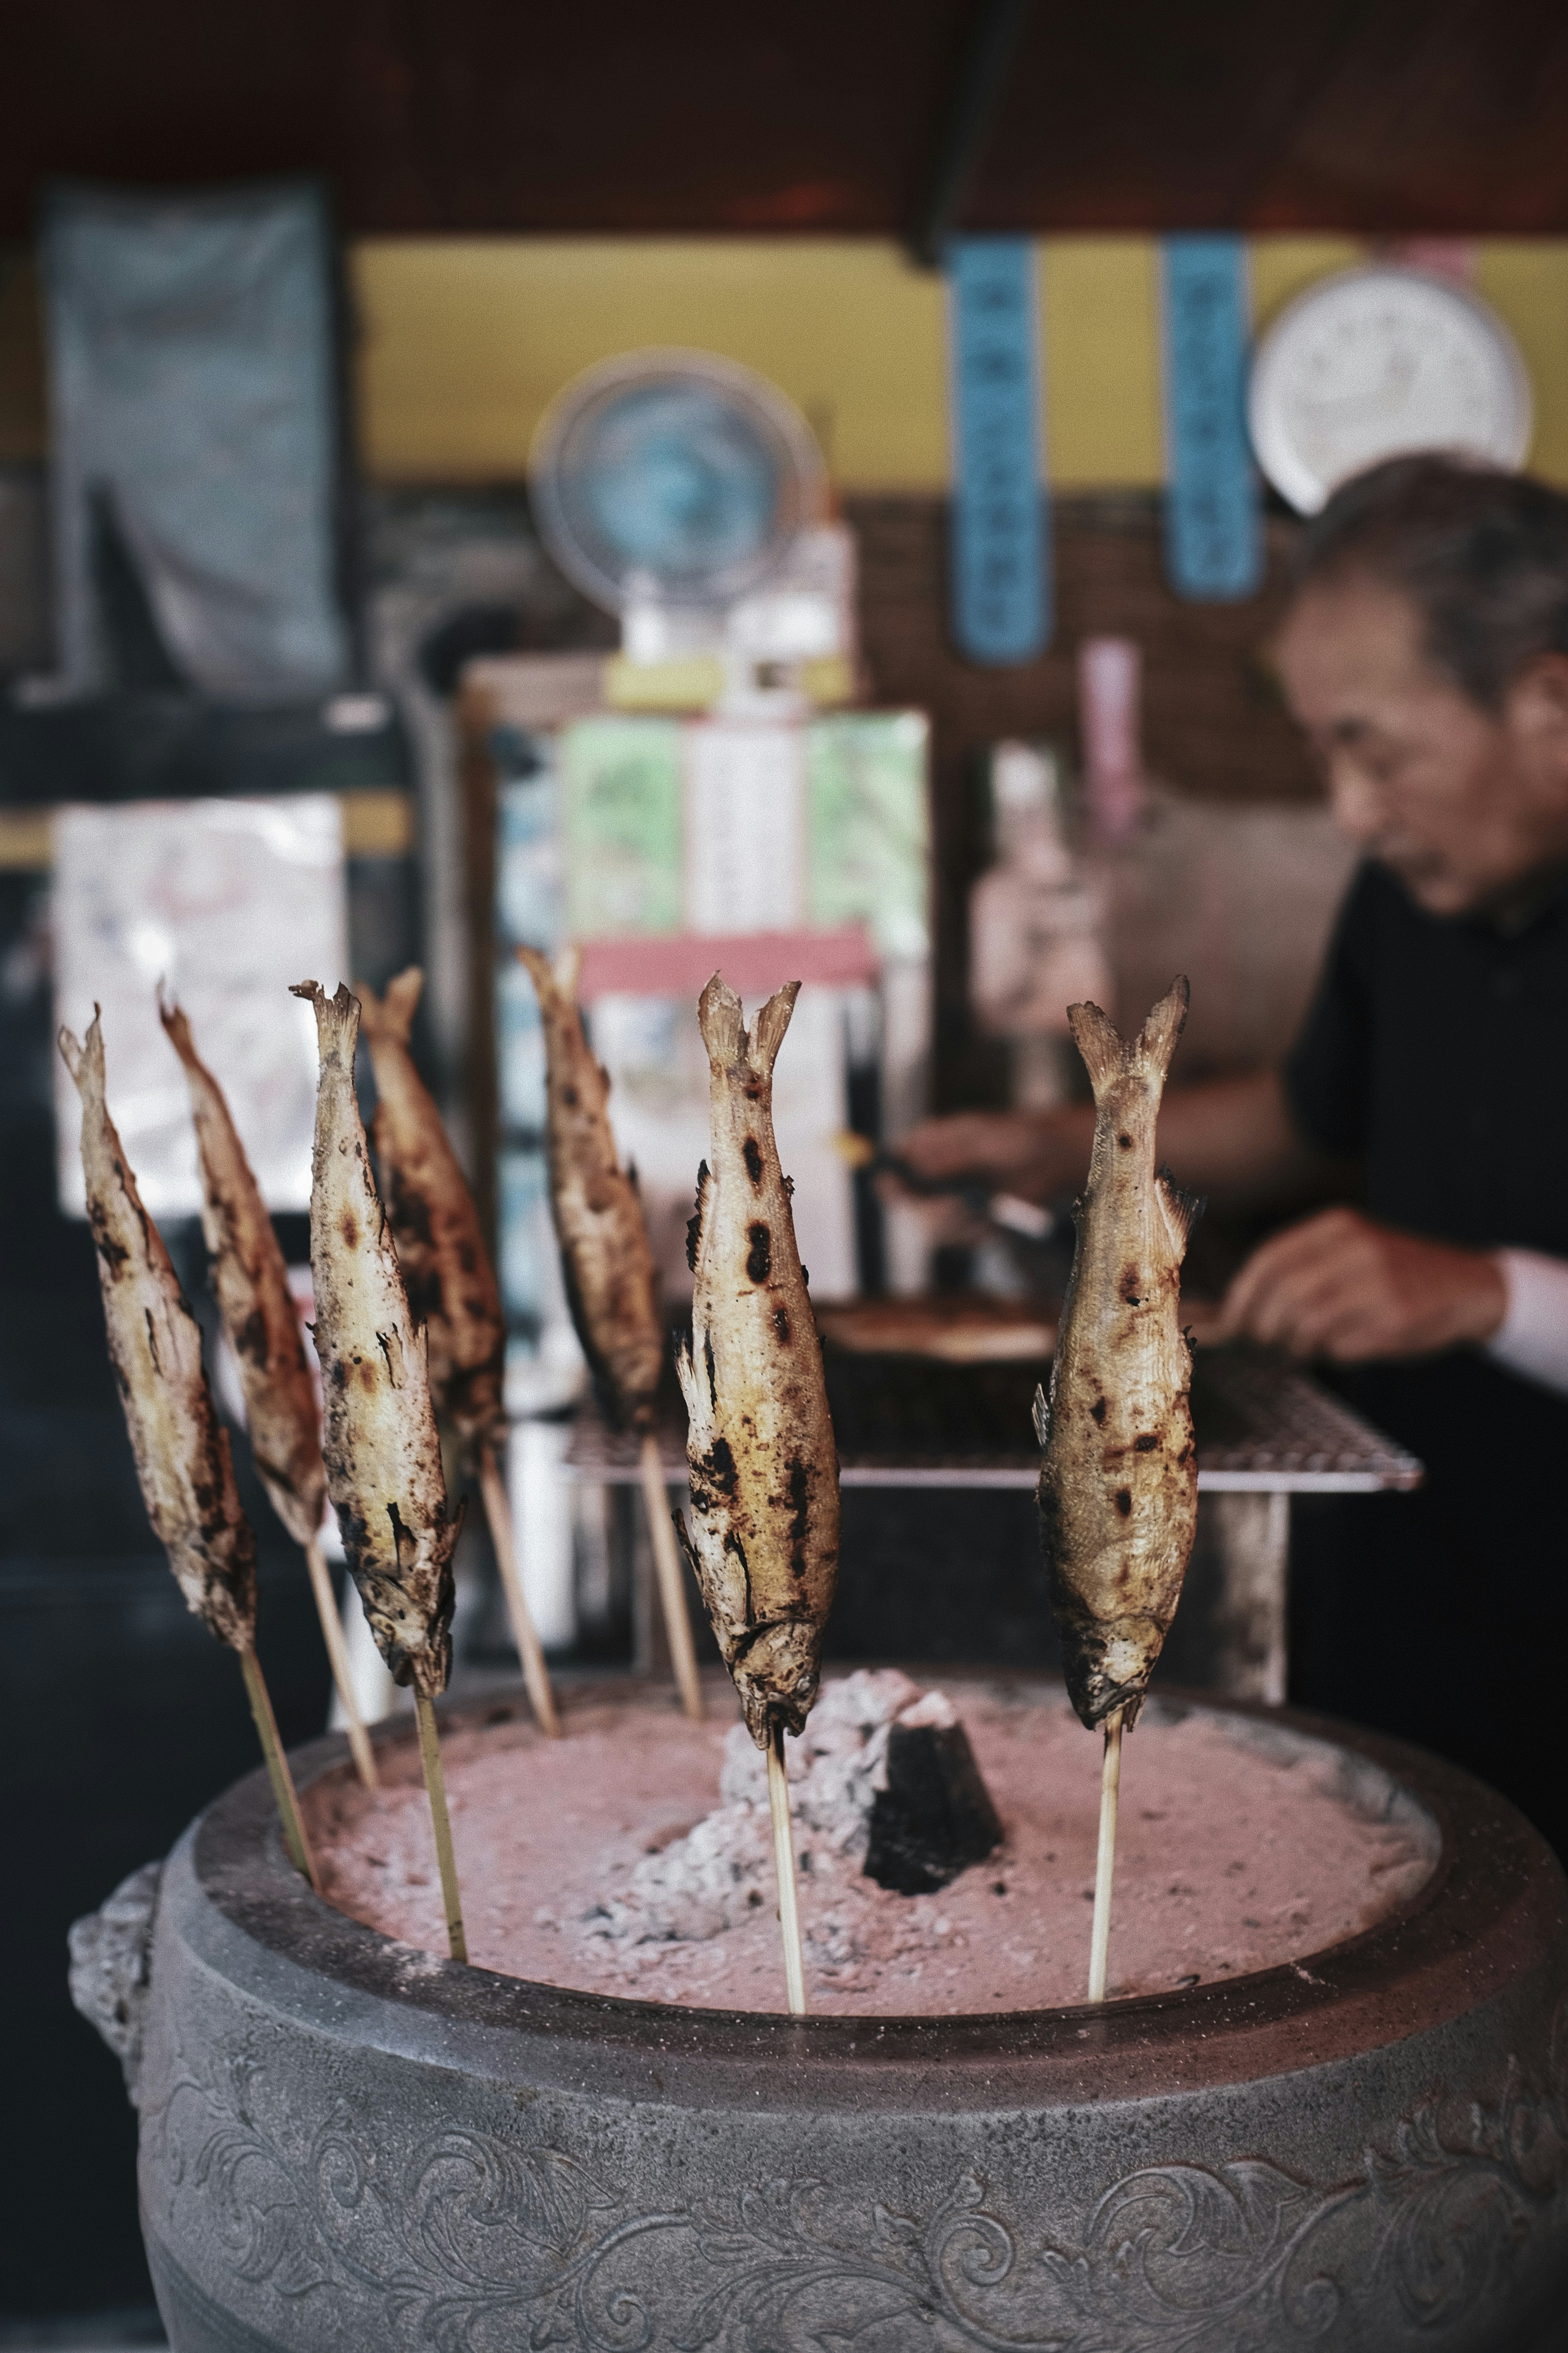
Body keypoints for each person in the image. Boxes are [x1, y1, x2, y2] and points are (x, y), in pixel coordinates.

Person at [899, 456, 1568, 1857]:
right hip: (1408, 1577)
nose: (1350, 811)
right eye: (1324, 751)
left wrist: (1486, 1291)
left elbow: (1470, 1277)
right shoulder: (1412, 897)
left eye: (1372, 748)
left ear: (1550, 701)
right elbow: (1310, 1114)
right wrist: (1063, 1144)